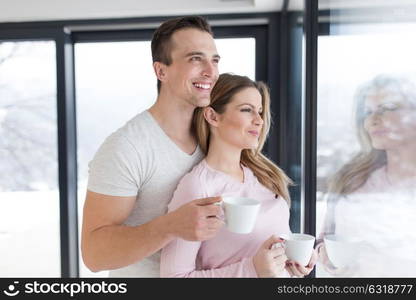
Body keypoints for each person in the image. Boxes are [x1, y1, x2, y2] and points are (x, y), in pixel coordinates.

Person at [81, 16, 225, 277]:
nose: (210, 71)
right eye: (195, 58)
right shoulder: (127, 147)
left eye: (214, 60)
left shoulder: (215, 135)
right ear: (161, 71)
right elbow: (94, 254)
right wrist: (169, 226)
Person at [160, 73, 318, 277]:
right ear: (213, 116)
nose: (259, 121)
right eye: (247, 110)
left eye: (260, 112)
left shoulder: (265, 177)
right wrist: (252, 269)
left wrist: (292, 260)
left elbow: (271, 254)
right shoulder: (198, 187)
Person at [317, 75, 416, 277]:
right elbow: (324, 240)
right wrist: (328, 256)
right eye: (367, 112)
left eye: (388, 108)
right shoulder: (351, 179)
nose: (373, 119)